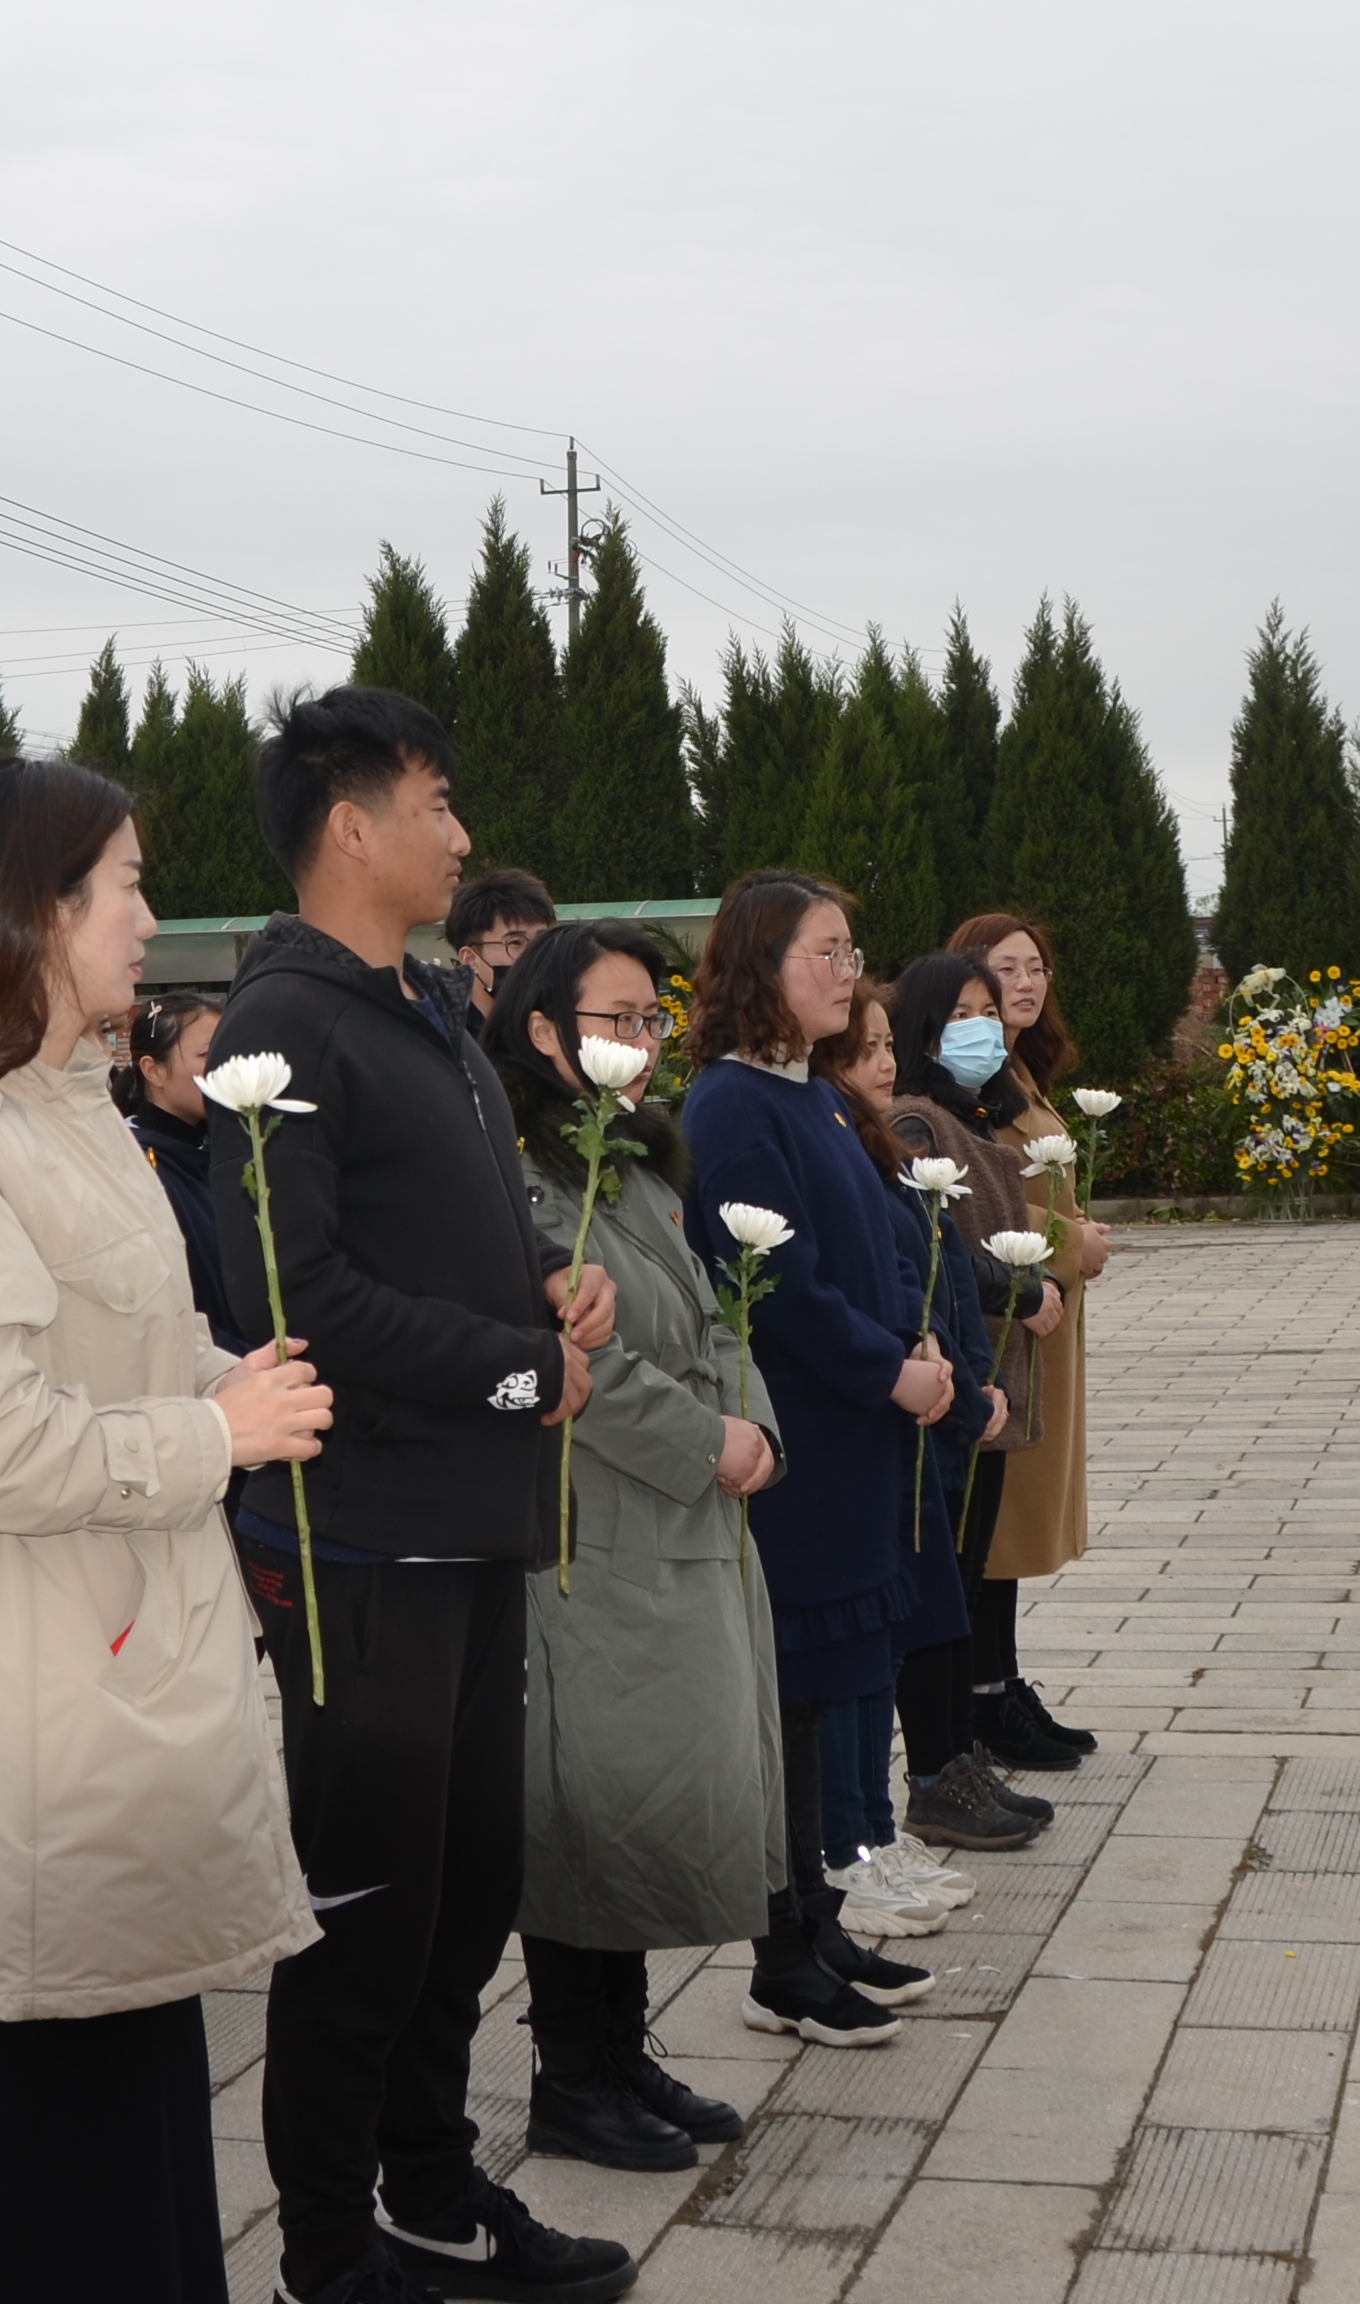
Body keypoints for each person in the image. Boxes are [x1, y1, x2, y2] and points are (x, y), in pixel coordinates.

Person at [0, 757, 330, 2303]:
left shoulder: (71, 1110)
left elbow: (108, 1347)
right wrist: (213, 1435)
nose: (148, 919)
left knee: (134, 2067)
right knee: (68, 2108)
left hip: (116, 1641)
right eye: (124, 885)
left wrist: (218, 1374)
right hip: (40, 1673)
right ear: (38, 912)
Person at [210, 689, 632, 2304]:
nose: (460, 836)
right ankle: (324, 2252)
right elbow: (292, 1290)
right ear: (350, 825)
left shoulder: (427, 1010)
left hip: (467, 1526)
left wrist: (546, 1283)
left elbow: (440, 1234)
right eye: (435, 804)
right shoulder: (282, 1028)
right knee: (368, 1915)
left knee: (463, 1903)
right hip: (364, 1543)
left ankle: (436, 2195)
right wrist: (518, 1368)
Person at [484, 924, 776, 2175]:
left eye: (653, 1018)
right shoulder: (521, 1176)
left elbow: (712, 1319)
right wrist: (705, 1442)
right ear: (543, 1031)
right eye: (615, 1018)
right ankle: (571, 2076)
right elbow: (574, 1362)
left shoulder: (640, 1160)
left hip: (684, 1521)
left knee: (648, 1793)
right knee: (591, 1806)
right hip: (590, 1533)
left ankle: (620, 2049)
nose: (641, 1042)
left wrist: (754, 1427)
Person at [680, 875, 948, 2044]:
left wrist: (913, 1343)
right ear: (759, 966)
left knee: (818, 1699)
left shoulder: (813, 1098)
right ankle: (778, 1957)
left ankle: (815, 1922)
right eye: (824, 953)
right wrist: (886, 1369)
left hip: (854, 1437)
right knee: (785, 1704)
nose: (849, 973)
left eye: (851, 950)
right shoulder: (730, 1107)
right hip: (799, 1444)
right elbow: (779, 1291)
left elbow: (869, 1251)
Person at [873, 958, 1047, 1860]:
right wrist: (1022, 1288)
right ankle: (940, 1768)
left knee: (965, 1582)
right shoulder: (914, 1123)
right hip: (950, 1384)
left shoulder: (971, 1114)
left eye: (990, 1010)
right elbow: (940, 1257)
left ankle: (961, 1756)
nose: (983, 1027)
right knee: (945, 1588)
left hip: (983, 1374)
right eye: (960, 1015)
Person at [942, 910, 1106, 1773]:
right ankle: (982, 1696)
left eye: (1037, 966)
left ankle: (1002, 1682)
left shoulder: (1019, 1073)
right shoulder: (965, 1084)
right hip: (1007, 1309)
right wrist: (1070, 1242)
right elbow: (975, 1200)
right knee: (995, 1520)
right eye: (1006, 968)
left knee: (1012, 1516)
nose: (1027, 982)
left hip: (1042, 1308)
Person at [110, 991, 248, 1355]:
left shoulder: (232, 1151)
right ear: (153, 1070)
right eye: (208, 1055)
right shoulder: (136, 1169)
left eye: (229, 1051)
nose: (226, 1067)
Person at [442, 866, 555, 1024]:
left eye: (541, 940)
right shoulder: (445, 1031)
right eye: (515, 943)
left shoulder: (556, 1024)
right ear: (470, 959)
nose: (534, 954)